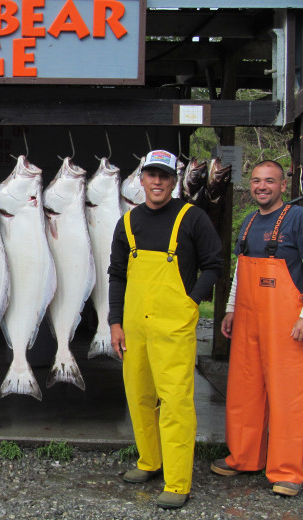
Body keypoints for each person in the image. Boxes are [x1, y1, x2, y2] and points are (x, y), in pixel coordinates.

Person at [109, 150, 222, 509]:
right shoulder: (127, 223)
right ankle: (149, 461)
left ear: (174, 182)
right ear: (140, 180)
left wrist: (192, 302)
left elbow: (214, 266)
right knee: (139, 396)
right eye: (151, 175)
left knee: (175, 403)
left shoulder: (193, 218)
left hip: (174, 325)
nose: (157, 182)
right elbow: (117, 274)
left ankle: (177, 481)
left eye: (165, 176)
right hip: (134, 326)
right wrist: (114, 321)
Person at [212, 160, 303, 497]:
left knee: (287, 395)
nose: (261, 186)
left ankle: (288, 471)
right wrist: (232, 309)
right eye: (256, 181)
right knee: (244, 389)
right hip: (248, 316)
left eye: (270, 181)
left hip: (286, 319)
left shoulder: (297, 218)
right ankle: (244, 457)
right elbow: (239, 270)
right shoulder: (248, 222)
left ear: (282, 185)